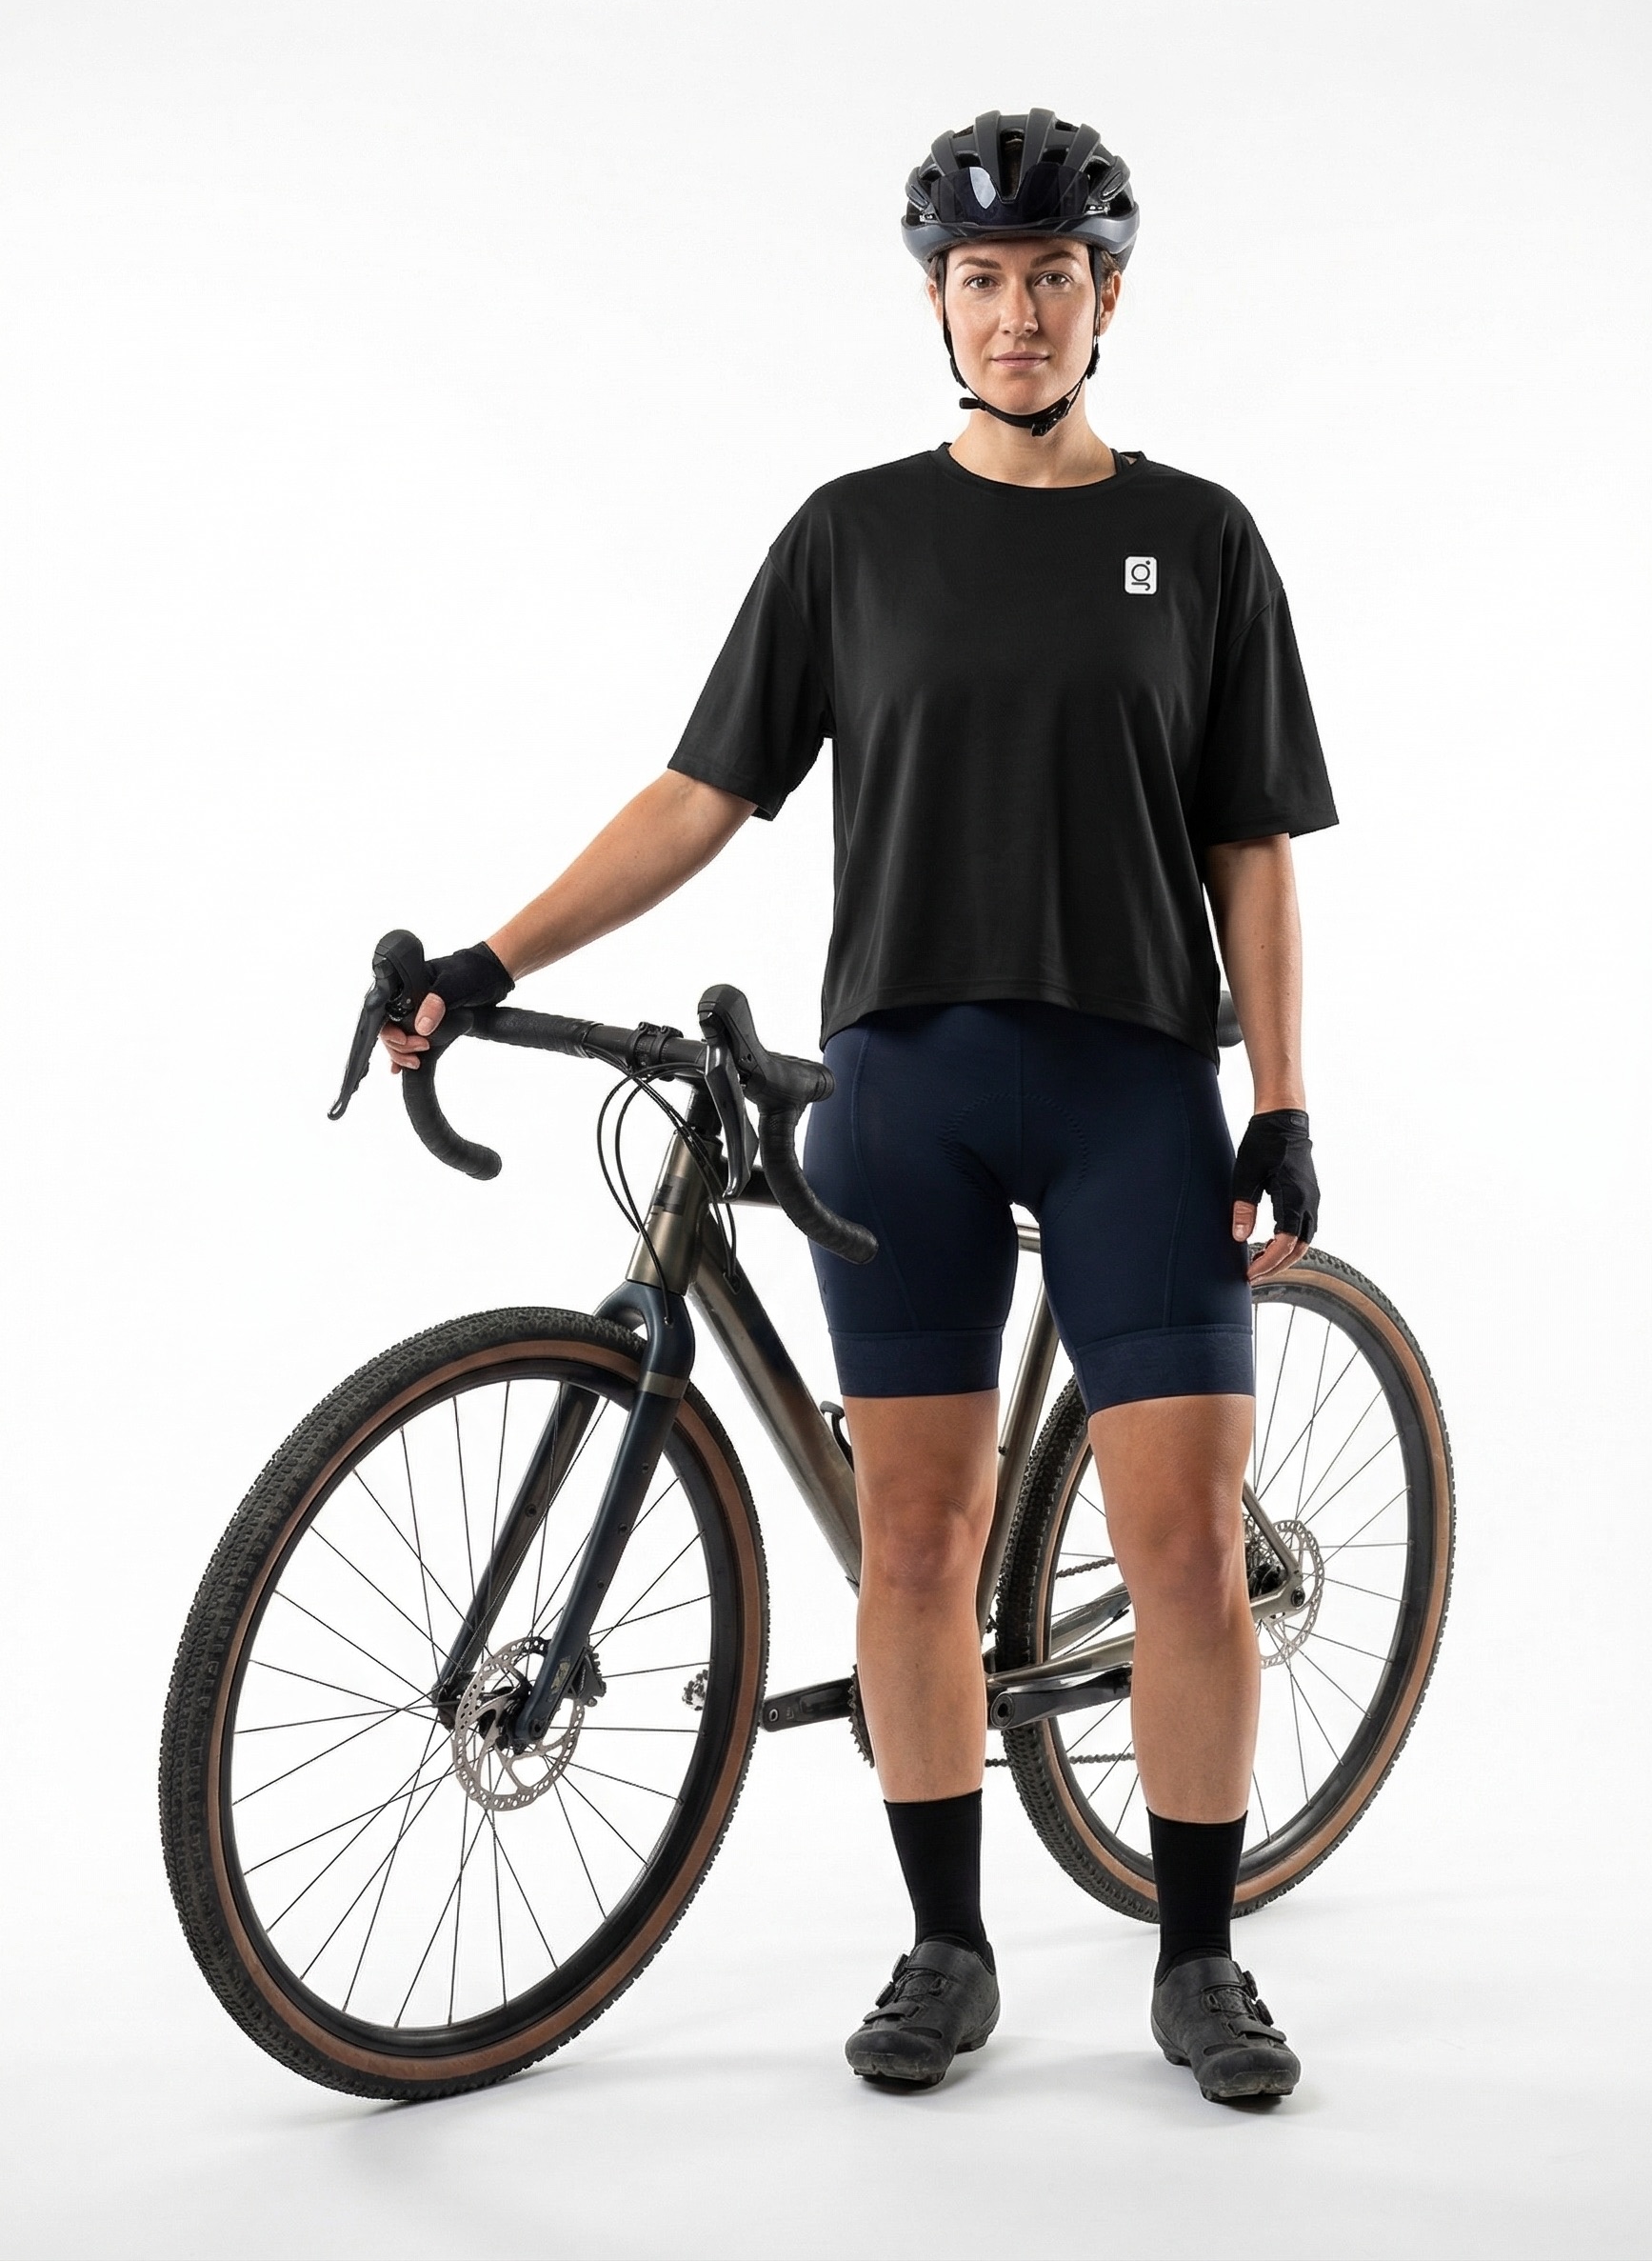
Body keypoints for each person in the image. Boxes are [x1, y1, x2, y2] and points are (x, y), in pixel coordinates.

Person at [383, 108, 1336, 2105]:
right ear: (936, 304)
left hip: (1136, 1090)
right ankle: (945, 1949)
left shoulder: (1203, 540)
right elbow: (699, 796)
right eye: (982, 279)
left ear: (1108, 297)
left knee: (1178, 1544)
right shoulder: (850, 538)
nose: (1018, 313)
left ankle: (1199, 1959)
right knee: (912, 1541)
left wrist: (1284, 1097)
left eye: (1053, 276)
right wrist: (494, 955)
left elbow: (1248, 842)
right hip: (905, 1091)